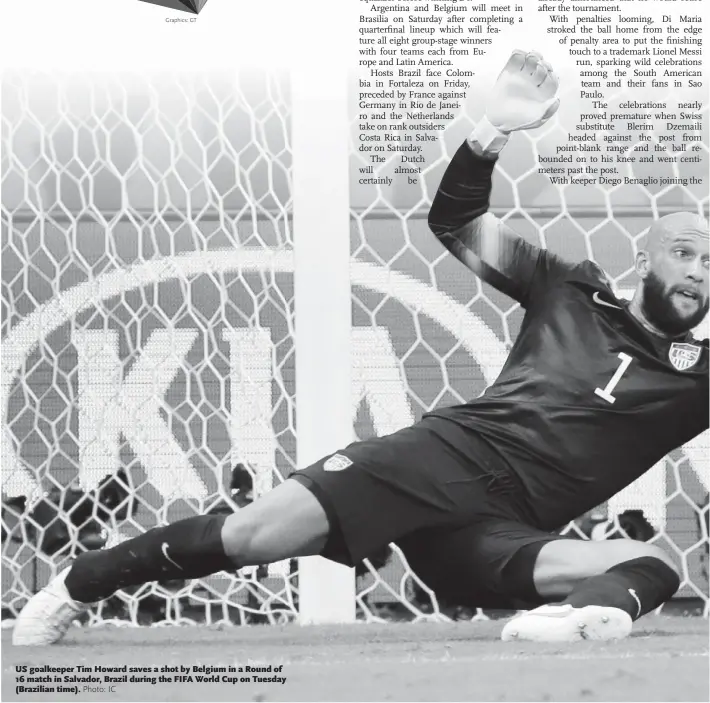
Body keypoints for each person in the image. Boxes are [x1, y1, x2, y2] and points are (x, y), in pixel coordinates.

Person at [13, 51, 708, 646]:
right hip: (440, 458)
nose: (698, 270)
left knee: (649, 560)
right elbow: (458, 221)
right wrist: (492, 130)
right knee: (252, 536)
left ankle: (587, 619)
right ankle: (77, 584)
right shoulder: (568, 288)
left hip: (506, 531)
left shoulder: (698, 379)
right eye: (684, 253)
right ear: (647, 258)